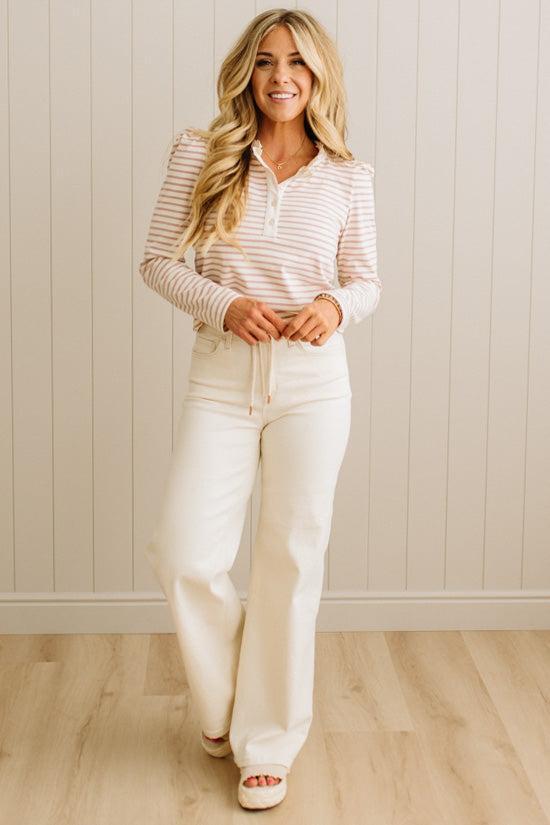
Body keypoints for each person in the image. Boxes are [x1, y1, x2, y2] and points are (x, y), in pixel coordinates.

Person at [139, 8, 381, 811]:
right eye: (267, 61)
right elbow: (156, 261)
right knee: (183, 552)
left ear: (319, 77)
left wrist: (335, 308)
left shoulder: (349, 173)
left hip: (314, 384)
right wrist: (222, 302)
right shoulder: (200, 152)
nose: (282, 77)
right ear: (247, 70)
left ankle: (267, 743)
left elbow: (366, 279)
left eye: (299, 64)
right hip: (222, 375)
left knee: (289, 562)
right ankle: (224, 708)